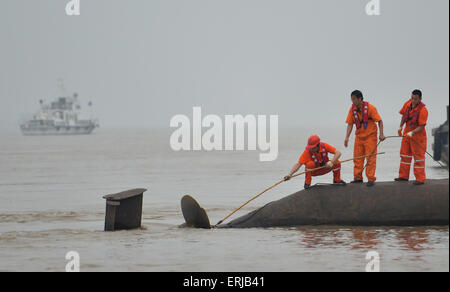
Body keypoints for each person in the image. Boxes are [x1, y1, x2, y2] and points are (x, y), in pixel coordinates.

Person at [344, 90, 386, 187]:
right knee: (357, 158)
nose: (353, 101)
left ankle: (370, 178)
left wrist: (381, 134)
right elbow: (350, 123)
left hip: (370, 136)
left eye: (354, 99)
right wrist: (347, 137)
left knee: (370, 158)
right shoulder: (352, 110)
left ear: (360, 99)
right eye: (352, 99)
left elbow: (379, 121)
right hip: (359, 136)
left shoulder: (371, 108)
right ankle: (358, 178)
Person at [395, 89, 429, 185]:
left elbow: (421, 126)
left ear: (420, 99)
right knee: (404, 155)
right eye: (412, 98)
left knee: (418, 158)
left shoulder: (423, 110)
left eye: (416, 99)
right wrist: (400, 127)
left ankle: (420, 179)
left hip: (418, 136)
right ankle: (403, 176)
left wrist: (412, 133)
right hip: (406, 134)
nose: (413, 101)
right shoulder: (407, 104)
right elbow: (403, 116)